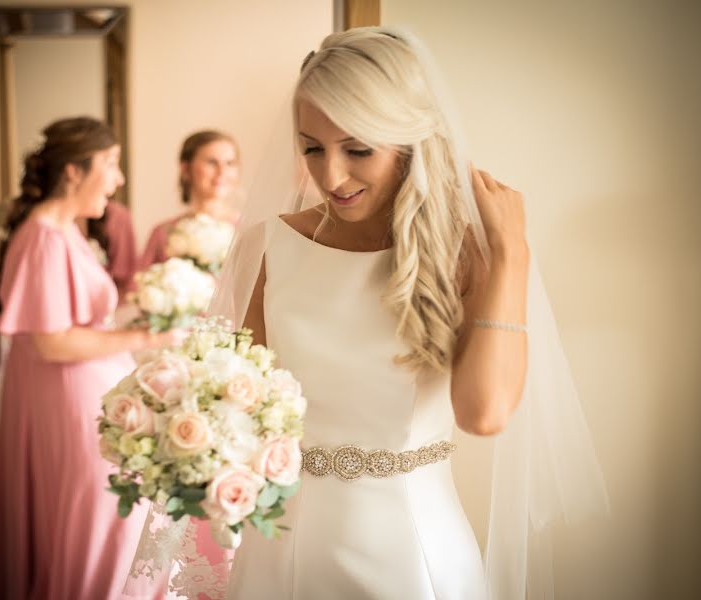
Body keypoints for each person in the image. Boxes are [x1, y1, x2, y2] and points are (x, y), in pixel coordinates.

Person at [126, 27, 608, 600]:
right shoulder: (266, 246)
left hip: (408, 554)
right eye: (312, 148)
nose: (331, 177)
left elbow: (484, 414)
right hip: (279, 552)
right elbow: (238, 408)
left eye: (357, 149)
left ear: (407, 141)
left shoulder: (466, 255)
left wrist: (511, 254)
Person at [0, 117, 180, 599]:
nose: (118, 179)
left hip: (80, 398)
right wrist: (148, 337)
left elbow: (75, 321)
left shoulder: (65, 232)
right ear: (73, 171)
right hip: (73, 407)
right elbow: (52, 342)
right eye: (110, 164)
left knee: (108, 519)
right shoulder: (46, 237)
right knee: (102, 519)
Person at [138, 130, 241, 270]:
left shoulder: (248, 230)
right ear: (186, 169)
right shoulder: (163, 233)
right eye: (212, 162)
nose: (222, 171)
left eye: (229, 163)